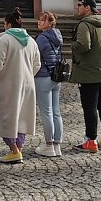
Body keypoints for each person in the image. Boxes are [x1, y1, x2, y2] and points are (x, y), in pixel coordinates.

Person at [0, 8, 40, 164]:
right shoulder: (31, 41)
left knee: (6, 118)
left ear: (7, 25)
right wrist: (28, 76)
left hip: (8, 85)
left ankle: (14, 151)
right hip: (27, 85)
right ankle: (19, 147)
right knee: (22, 118)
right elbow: (37, 64)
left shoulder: (4, 41)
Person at [71, 0, 101, 153]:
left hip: (89, 73)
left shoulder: (84, 24)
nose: (77, 8)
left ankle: (91, 140)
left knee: (89, 107)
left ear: (88, 8)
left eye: (79, 5)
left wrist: (73, 45)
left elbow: (83, 45)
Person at [34, 11, 64, 157]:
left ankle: (49, 145)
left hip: (43, 76)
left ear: (50, 23)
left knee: (47, 112)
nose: (39, 22)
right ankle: (57, 144)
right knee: (56, 112)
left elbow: (36, 57)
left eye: (42, 20)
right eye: (39, 20)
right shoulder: (58, 36)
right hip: (56, 76)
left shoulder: (41, 38)